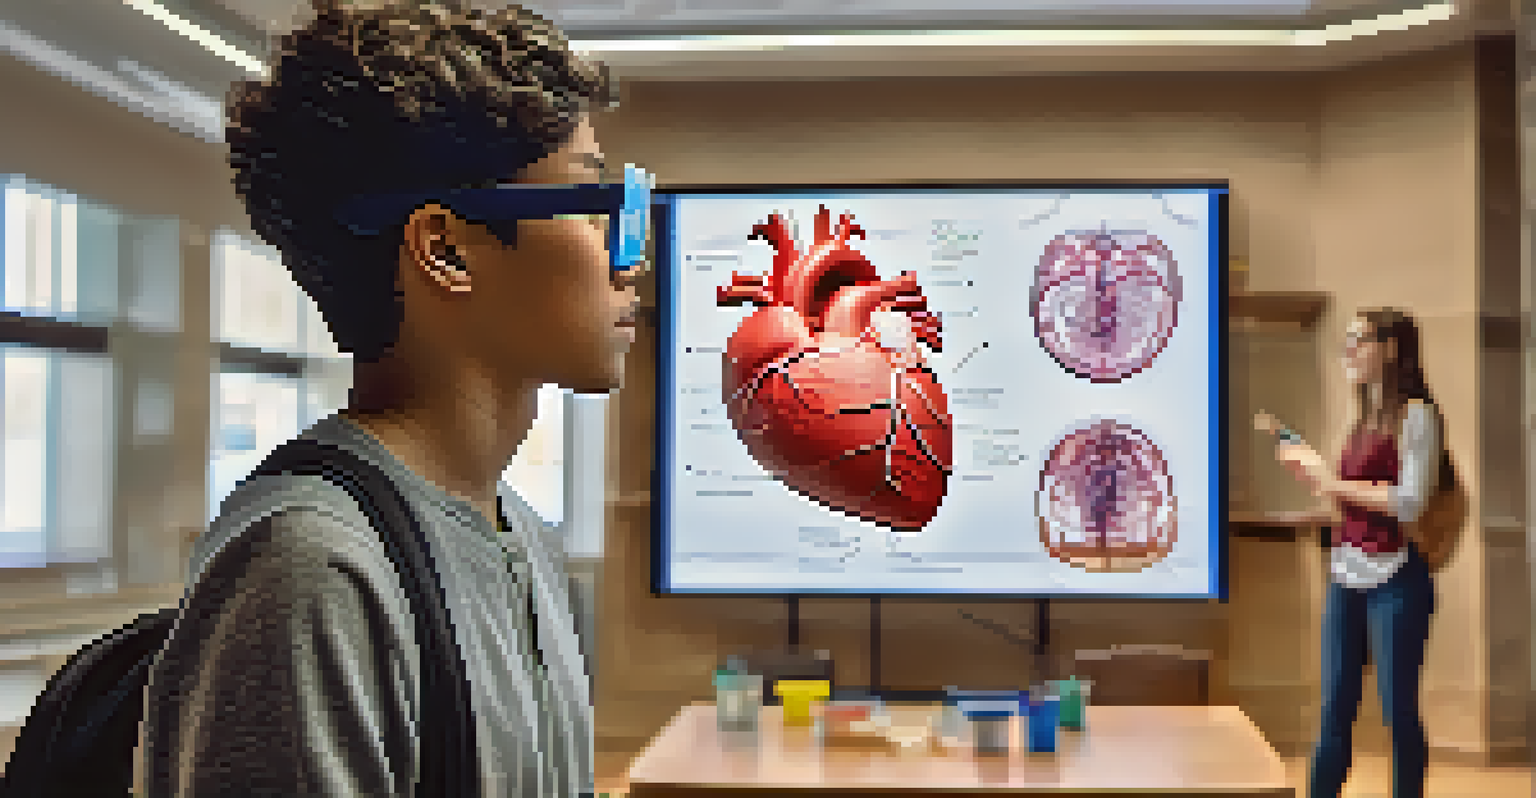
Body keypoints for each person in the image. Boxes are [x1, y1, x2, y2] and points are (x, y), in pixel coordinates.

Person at [141, 1, 639, 795]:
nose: (629, 257)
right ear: (445, 249)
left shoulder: (526, 542)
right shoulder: (314, 572)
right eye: (594, 204)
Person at [1269, 307, 1442, 798]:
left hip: (1396, 582)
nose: (1348, 348)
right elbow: (1355, 497)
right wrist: (1319, 495)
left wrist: (1333, 483)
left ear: (1390, 348)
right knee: (1333, 710)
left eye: (1359, 339)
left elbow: (1409, 502)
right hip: (1346, 578)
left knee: (1398, 712)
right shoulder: (1364, 417)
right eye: (1346, 339)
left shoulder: (1417, 415)